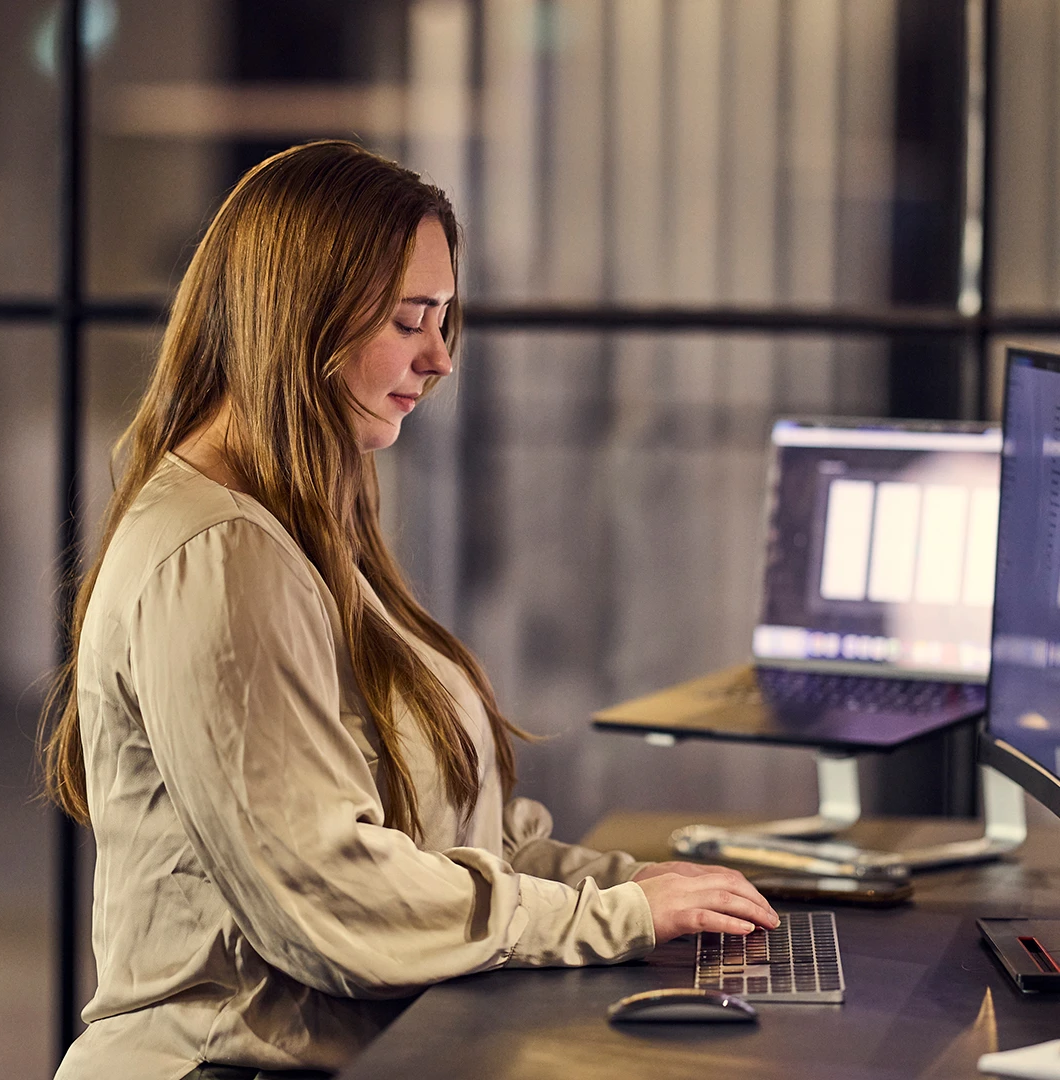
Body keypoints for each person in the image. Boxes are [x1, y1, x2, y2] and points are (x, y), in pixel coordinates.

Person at [44, 140, 778, 1080]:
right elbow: (329, 892)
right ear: (302, 314)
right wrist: (615, 918)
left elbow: (440, 838)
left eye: (444, 318)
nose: (439, 358)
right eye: (409, 320)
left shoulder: (299, 521)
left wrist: (632, 887)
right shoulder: (220, 555)